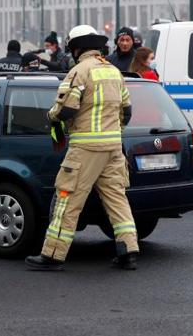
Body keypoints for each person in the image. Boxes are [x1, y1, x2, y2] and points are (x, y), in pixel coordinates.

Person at [25, 25, 138, 271]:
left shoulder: (79, 71)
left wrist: (52, 116)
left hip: (86, 148)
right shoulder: (113, 72)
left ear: (76, 49)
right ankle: (128, 250)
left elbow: (67, 109)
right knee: (117, 199)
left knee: (68, 197)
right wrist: (114, 131)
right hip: (112, 148)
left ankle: (53, 255)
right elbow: (127, 112)